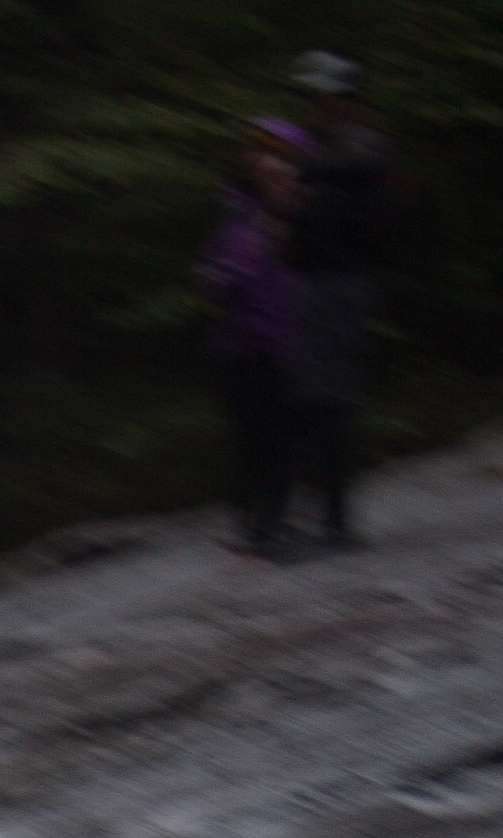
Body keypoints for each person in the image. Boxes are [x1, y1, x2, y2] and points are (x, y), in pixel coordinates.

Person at [283, 51, 401, 552]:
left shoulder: (359, 145)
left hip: (343, 282)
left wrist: (303, 173)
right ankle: (324, 517)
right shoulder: (327, 149)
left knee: (329, 399)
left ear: (341, 98)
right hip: (321, 281)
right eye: (310, 97)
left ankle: (336, 524)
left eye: (319, 96)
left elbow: (358, 171)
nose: (312, 105)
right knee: (315, 399)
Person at [200, 126, 313, 558]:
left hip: (273, 340)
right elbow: (217, 282)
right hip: (246, 345)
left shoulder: (284, 218)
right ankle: (259, 527)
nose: (281, 172)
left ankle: (266, 523)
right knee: (259, 438)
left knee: (273, 437)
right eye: (272, 166)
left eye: (286, 166)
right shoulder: (241, 222)